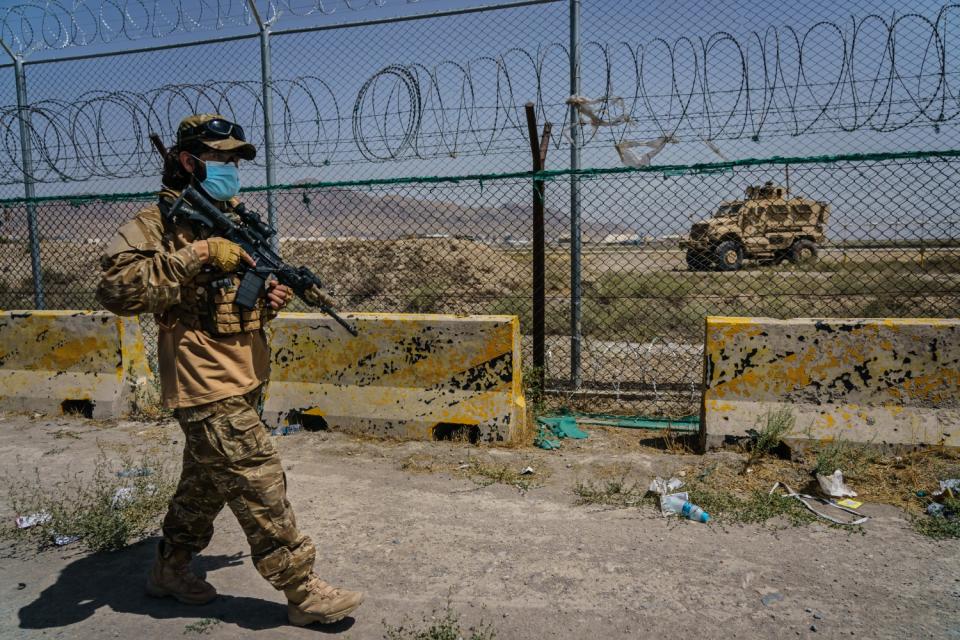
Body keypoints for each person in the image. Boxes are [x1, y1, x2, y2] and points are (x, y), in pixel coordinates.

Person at [96, 114, 363, 627]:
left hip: (244, 376)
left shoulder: (231, 218)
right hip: (203, 382)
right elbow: (116, 291)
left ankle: (170, 570)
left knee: (205, 485)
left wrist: (268, 297)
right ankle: (302, 591)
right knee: (259, 480)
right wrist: (196, 254)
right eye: (220, 159)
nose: (230, 169)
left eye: (235, 160)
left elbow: (231, 302)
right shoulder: (155, 225)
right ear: (188, 160)